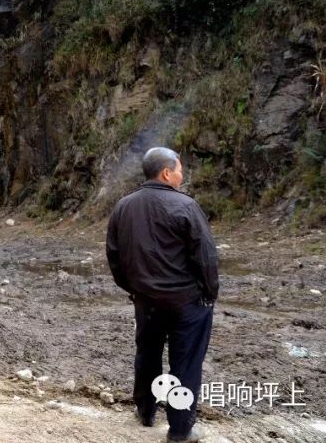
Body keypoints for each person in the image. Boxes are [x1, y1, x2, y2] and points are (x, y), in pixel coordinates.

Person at [107, 147, 219, 443]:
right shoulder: (186, 206)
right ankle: (181, 430)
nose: (182, 175)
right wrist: (209, 294)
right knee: (186, 362)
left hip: (146, 301)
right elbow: (205, 257)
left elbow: (115, 256)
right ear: (167, 173)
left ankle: (145, 412)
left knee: (148, 354)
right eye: (180, 169)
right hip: (186, 302)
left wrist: (135, 290)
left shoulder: (124, 206)